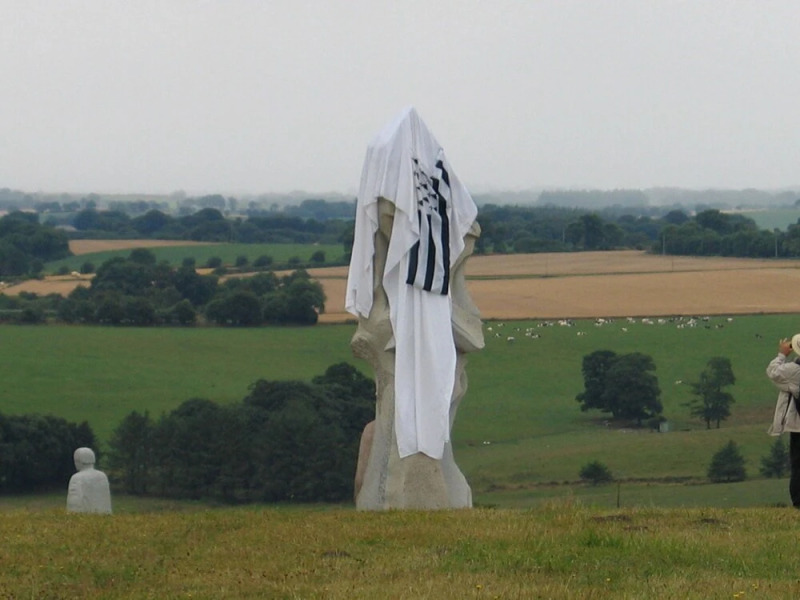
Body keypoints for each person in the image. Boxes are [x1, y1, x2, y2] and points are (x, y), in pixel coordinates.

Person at [766, 335, 800, 507]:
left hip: (798, 426)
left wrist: (782, 354)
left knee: (798, 465)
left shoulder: (793, 371)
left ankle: (798, 502)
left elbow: (773, 372)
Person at [66, 447, 112, 514]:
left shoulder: (77, 478)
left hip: (84, 519)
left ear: (80, 461)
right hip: (104, 519)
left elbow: (74, 503)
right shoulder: (102, 476)